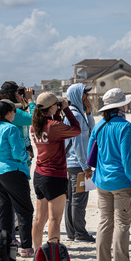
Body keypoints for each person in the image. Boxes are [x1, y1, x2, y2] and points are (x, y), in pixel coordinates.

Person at [89, 88, 131, 261]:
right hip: (121, 182)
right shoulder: (125, 127)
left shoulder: (99, 125)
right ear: (121, 105)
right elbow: (128, 160)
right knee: (122, 225)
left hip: (102, 181)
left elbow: (91, 155)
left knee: (105, 223)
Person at [30, 92, 81, 250]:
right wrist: (66, 110)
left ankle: (38, 252)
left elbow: (56, 129)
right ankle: (52, 253)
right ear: (52, 107)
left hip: (39, 175)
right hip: (54, 176)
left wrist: (57, 112)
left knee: (39, 219)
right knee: (54, 219)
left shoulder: (35, 126)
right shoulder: (54, 126)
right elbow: (76, 129)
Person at [0, 99, 35, 258]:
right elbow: (17, 153)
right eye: (13, 111)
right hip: (13, 170)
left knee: (4, 207)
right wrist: (26, 156)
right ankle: (27, 247)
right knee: (25, 209)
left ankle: (6, 242)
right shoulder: (12, 129)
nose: (15, 113)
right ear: (8, 113)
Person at [63, 83, 96, 242]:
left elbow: (91, 130)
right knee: (79, 200)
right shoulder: (75, 115)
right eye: (85, 94)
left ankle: (72, 232)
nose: (87, 97)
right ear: (77, 95)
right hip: (78, 164)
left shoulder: (77, 113)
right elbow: (77, 143)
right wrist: (86, 167)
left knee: (71, 199)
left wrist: (89, 113)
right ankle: (80, 233)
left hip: (72, 164)